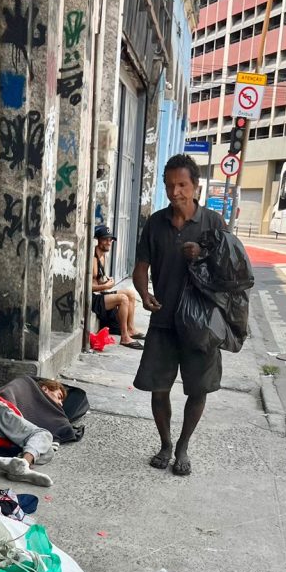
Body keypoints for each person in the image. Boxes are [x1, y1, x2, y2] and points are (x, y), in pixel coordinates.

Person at [132, 153, 227, 476]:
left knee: (197, 388)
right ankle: (165, 443)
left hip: (202, 325)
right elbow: (141, 266)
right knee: (159, 387)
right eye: (170, 185)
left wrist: (203, 254)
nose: (175, 192)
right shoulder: (155, 223)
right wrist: (144, 294)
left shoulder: (213, 223)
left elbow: (231, 271)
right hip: (163, 320)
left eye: (182, 185)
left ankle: (184, 447)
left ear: (196, 187)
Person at [0, 379, 67, 487]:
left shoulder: (39, 410)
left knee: (48, 452)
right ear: (45, 389)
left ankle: (15, 467)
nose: (60, 403)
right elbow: (12, 390)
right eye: (59, 396)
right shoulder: (28, 388)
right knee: (44, 434)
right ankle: (24, 465)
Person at [91, 225, 144, 349]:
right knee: (123, 299)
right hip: (93, 298)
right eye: (105, 239)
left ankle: (130, 329)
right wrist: (106, 286)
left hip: (99, 294)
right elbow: (87, 287)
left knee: (130, 293)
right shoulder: (92, 258)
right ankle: (125, 337)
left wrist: (106, 282)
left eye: (110, 239)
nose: (109, 242)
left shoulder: (103, 257)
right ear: (97, 240)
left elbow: (99, 282)